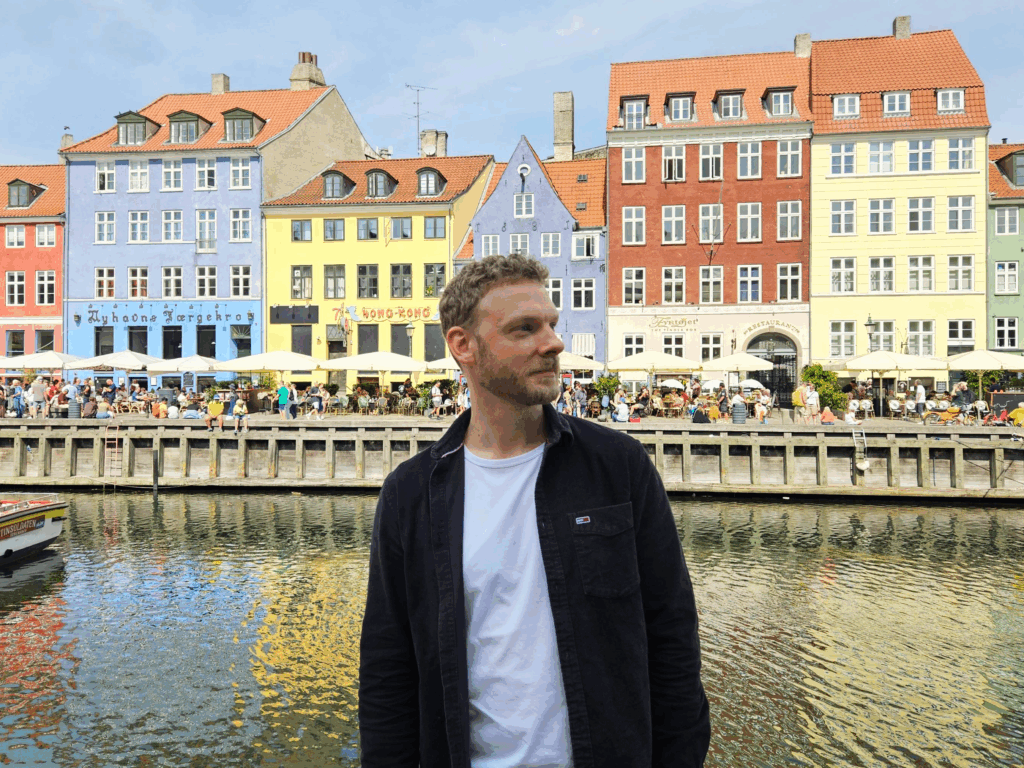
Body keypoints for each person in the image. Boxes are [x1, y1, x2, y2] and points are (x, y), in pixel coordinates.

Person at [359, 254, 709, 768]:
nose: (553, 343)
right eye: (525, 329)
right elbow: (389, 673)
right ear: (463, 346)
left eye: (551, 325)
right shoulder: (411, 495)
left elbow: (672, 640)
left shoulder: (618, 468)